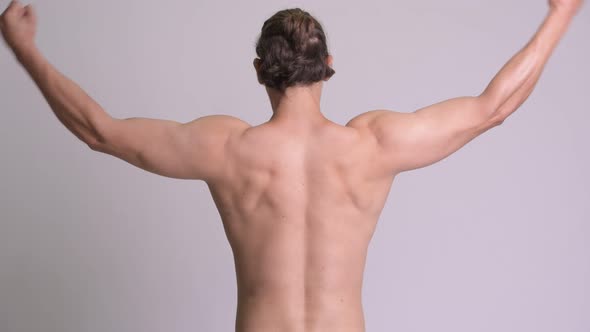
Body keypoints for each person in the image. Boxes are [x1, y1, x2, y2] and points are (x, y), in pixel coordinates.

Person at [0, 1, 584, 331]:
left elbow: (99, 131)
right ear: (329, 64)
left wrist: (25, 50)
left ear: (260, 71)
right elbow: (492, 109)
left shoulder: (227, 149)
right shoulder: (372, 146)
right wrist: (562, 12)